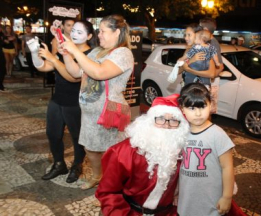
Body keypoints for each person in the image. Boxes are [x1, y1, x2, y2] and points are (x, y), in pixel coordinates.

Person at [61, 14, 134, 190]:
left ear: (117, 32)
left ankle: (110, 189)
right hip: (90, 113)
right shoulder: (96, 51)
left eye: (102, 31)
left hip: (108, 112)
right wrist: (66, 53)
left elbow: (99, 73)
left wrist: (76, 50)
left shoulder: (123, 53)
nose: (98, 34)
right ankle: (97, 176)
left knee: (111, 153)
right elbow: (76, 73)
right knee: (90, 148)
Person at [95, 94, 190, 216]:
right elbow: (108, 193)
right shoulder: (122, 152)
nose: (166, 125)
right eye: (160, 118)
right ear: (149, 121)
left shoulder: (184, 152)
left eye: (173, 120)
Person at [26, 20, 96, 183]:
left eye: (80, 32)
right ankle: (59, 164)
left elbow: (73, 77)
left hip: (76, 103)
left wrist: (54, 58)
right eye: (73, 31)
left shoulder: (89, 55)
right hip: (57, 100)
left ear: (89, 36)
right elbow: (44, 67)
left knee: (77, 138)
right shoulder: (66, 50)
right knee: (52, 134)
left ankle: (76, 166)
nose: (74, 34)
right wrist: (35, 53)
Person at [177, 83, 239, 216]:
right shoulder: (182, 132)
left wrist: (227, 197)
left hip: (211, 200)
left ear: (211, 105)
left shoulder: (217, 134)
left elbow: (227, 167)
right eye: (192, 108)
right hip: (187, 199)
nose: (198, 113)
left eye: (203, 106)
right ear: (182, 108)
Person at [0, 26, 7, 91]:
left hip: (1, 53)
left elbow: (5, 43)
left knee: (3, 69)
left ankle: (1, 84)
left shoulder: (2, 35)